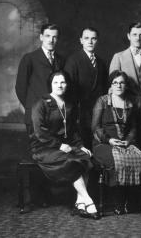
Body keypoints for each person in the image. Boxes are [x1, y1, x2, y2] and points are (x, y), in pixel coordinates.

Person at [30, 70, 100, 220]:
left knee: (86, 157)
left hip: (64, 145)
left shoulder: (69, 104)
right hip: (44, 147)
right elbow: (39, 132)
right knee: (72, 162)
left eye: (62, 82)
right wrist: (59, 145)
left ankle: (79, 202)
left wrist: (80, 146)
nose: (59, 85)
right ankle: (88, 200)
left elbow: (73, 130)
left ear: (67, 85)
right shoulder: (41, 104)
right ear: (50, 85)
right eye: (56, 82)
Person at [92, 70, 141, 215]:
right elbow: (95, 127)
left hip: (125, 143)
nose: (118, 85)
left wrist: (127, 141)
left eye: (121, 82)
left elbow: (134, 127)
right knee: (118, 159)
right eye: (115, 83)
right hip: (103, 143)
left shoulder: (130, 102)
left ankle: (131, 200)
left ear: (126, 85)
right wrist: (109, 140)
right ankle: (119, 201)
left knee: (138, 157)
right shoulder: (102, 101)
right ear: (111, 85)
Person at [16, 23, 65, 134]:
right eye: (47, 36)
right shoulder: (29, 58)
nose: (51, 40)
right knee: (38, 150)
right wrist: (33, 107)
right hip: (35, 115)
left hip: (56, 116)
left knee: (56, 149)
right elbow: (20, 88)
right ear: (41, 37)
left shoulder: (62, 60)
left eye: (54, 37)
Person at [64, 27, 108, 148]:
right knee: (83, 144)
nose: (90, 41)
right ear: (81, 40)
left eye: (93, 38)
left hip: (97, 110)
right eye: (86, 38)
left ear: (97, 41)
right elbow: (69, 90)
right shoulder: (73, 60)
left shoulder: (101, 62)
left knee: (97, 143)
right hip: (80, 111)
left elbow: (104, 89)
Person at [109, 22, 141, 124]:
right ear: (129, 36)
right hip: (126, 105)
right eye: (134, 34)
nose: (138, 38)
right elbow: (112, 87)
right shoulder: (118, 57)